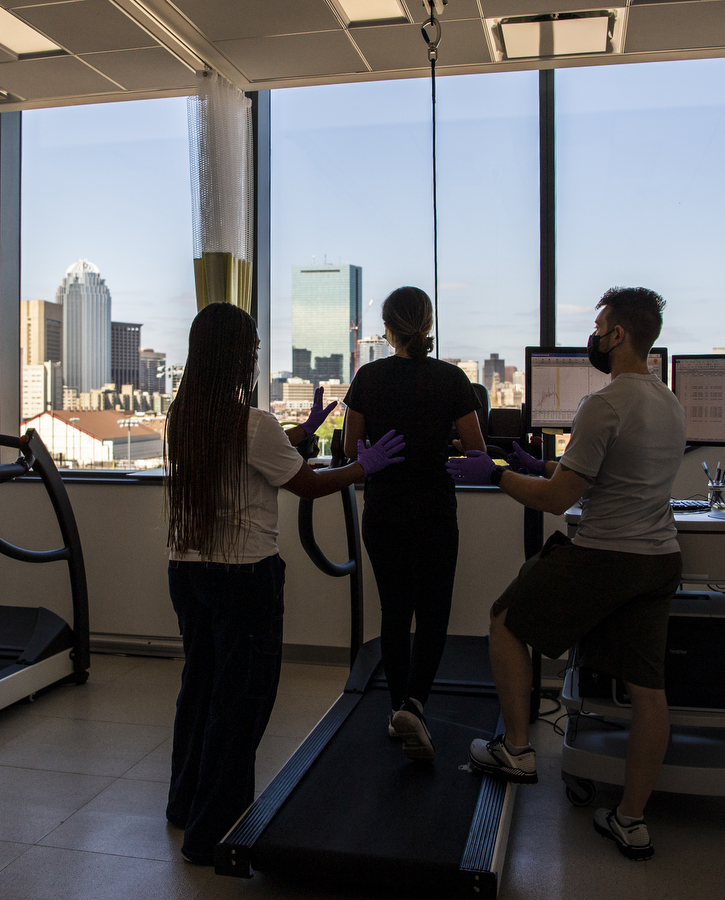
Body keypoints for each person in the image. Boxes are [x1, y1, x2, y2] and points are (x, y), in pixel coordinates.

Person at [164, 301, 406, 866]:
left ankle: (184, 807)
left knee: (199, 690)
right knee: (239, 706)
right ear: (238, 357)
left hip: (188, 570)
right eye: (251, 350)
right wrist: (365, 467)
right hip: (244, 577)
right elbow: (309, 485)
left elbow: (258, 451)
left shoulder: (186, 417)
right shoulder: (252, 423)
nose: (254, 357)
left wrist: (307, 429)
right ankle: (214, 837)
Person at [448, 286, 685, 861]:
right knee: (648, 689)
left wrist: (497, 474)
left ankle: (519, 750)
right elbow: (601, 471)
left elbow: (557, 501)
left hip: (605, 554)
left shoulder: (603, 403)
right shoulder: (668, 401)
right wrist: (538, 463)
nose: (595, 334)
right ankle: (631, 820)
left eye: (600, 324)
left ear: (618, 335)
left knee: (505, 618)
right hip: (659, 559)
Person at [343, 286, 485, 761]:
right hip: (434, 512)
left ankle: (394, 712)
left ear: (387, 328)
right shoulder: (452, 379)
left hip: (383, 512)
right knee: (433, 614)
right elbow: (475, 447)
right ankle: (416, 705)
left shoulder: (368, 376)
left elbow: (349, 448)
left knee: (393, 611)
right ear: (428, 324)